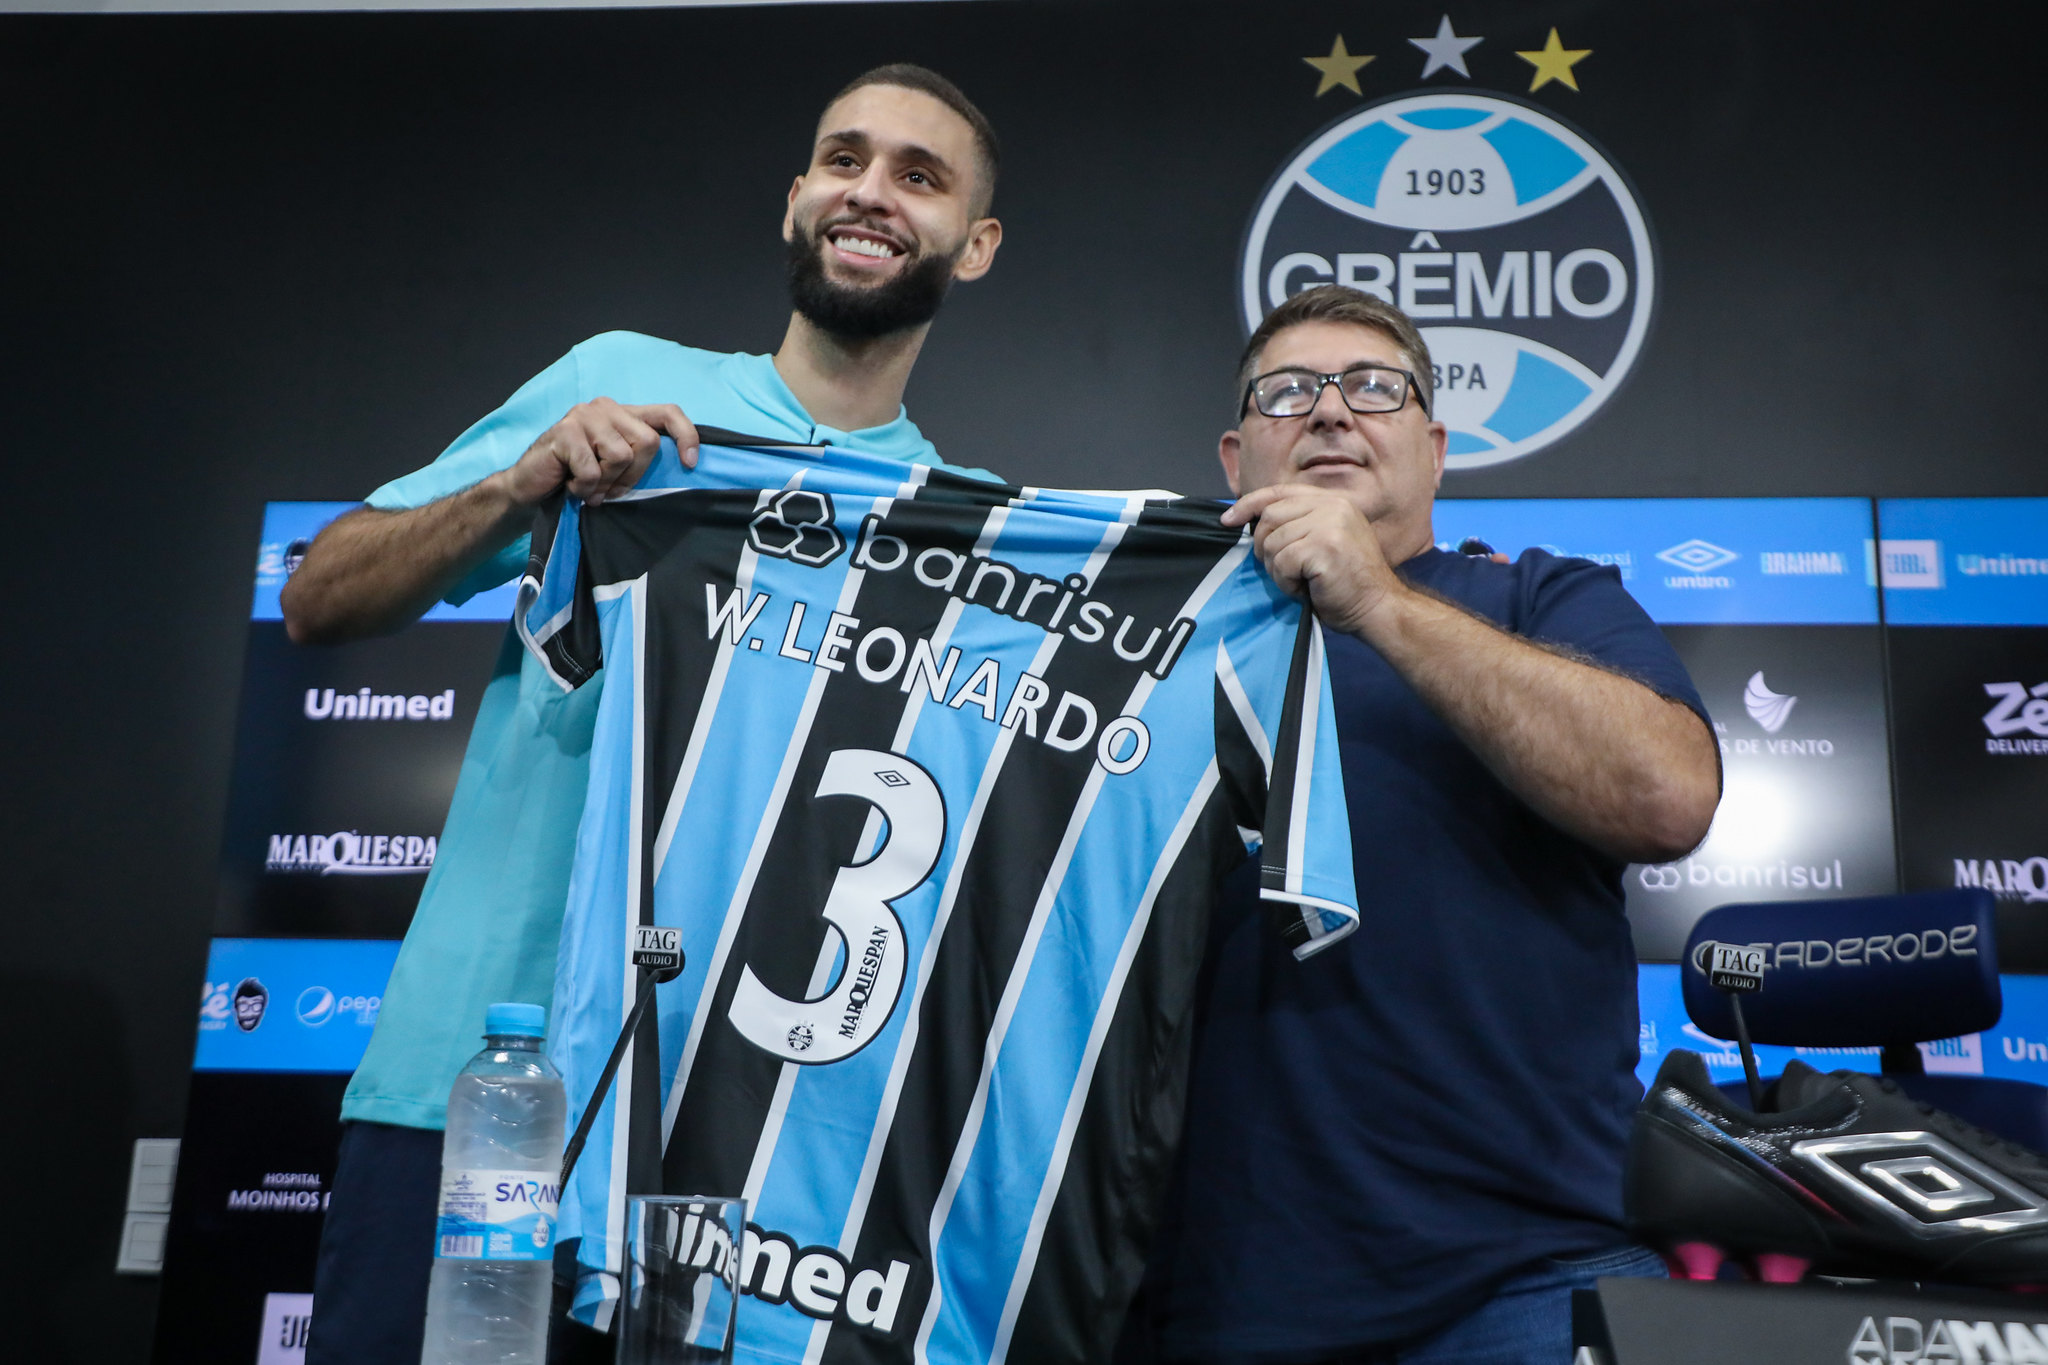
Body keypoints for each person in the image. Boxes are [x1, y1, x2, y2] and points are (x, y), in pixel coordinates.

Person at [280, 63, 1004, 1365]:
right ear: (797, 201)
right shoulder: (620, 389)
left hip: (739, 1147)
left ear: (977, 243)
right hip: (481, 1087)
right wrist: (521, 485)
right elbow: (321, 598)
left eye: (919, 175)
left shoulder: (978, 536)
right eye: (844, 160)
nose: (871, 194)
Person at [1122, 285, 1723, 1365]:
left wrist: (1377, 604)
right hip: (1205, 1293)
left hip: (1527, 1273)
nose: (1330, 412)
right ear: (1232, 454)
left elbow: (1664, 796)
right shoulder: (1136, 645)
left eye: (1372, 388)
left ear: (1433, 446)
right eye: (1288, 391)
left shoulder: (1543, 600)